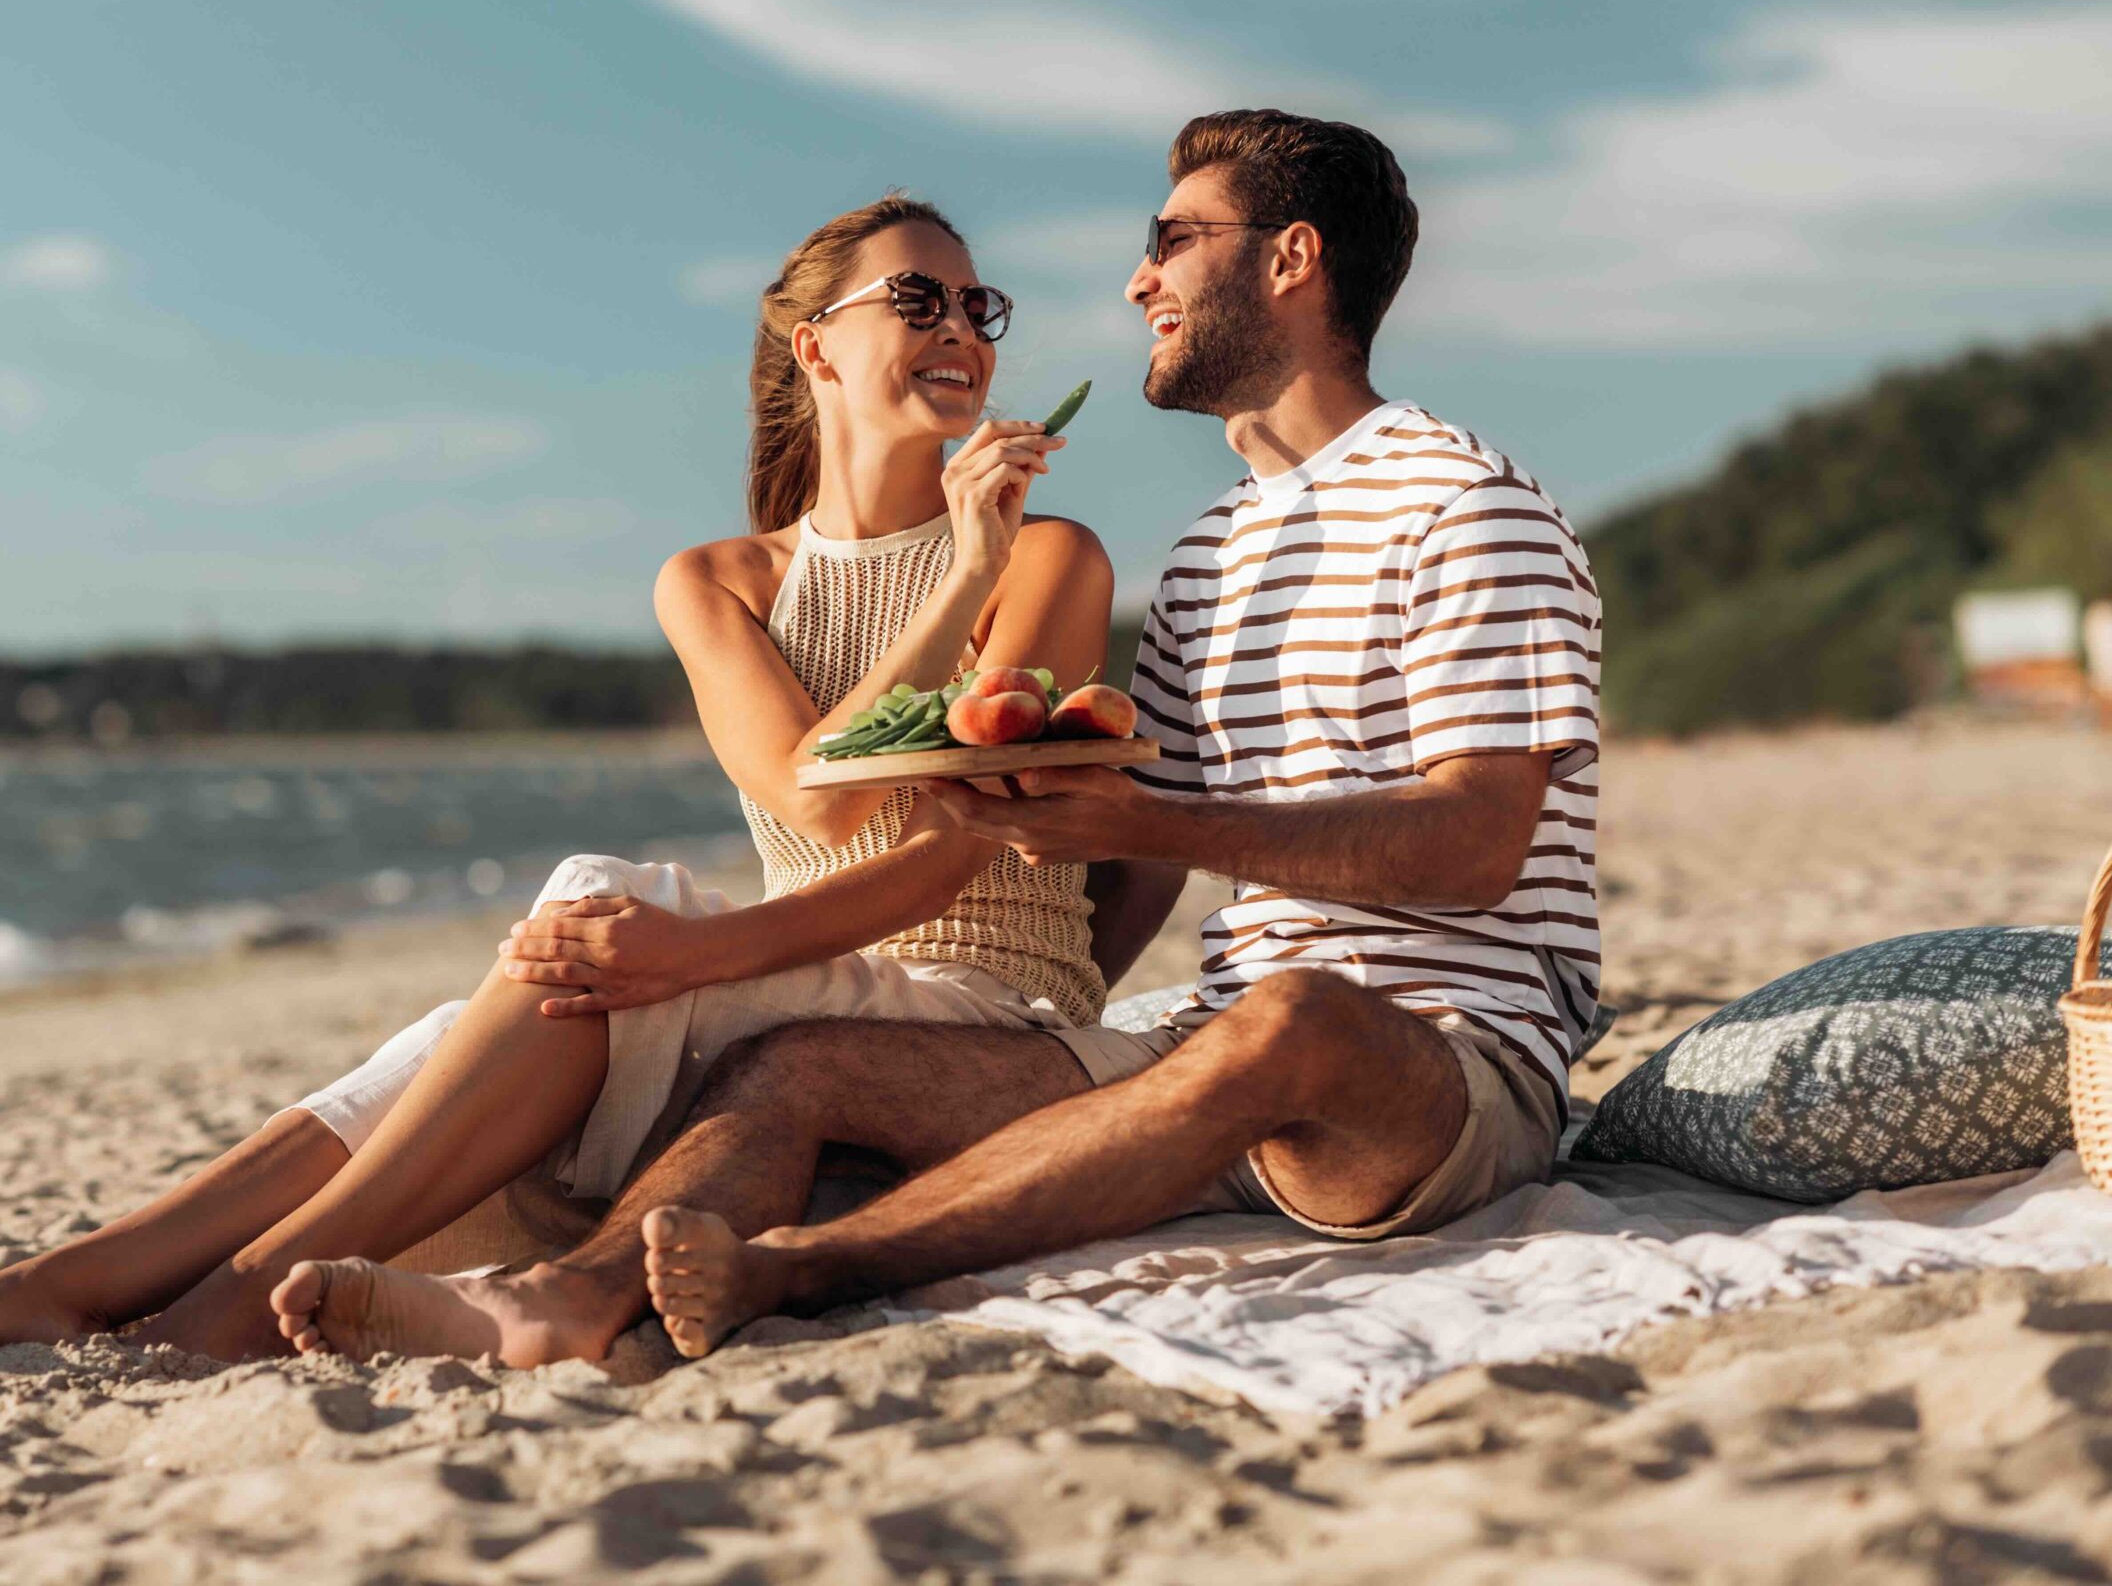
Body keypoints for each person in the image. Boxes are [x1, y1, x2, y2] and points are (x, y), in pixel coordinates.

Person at [269, 108, 1603, 1365]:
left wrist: (1145, 822)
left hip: (1448, 1064)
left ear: (1295, 260)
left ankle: (798, 1266)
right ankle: (570, 1297)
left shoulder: (1463, 503)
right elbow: (1134, 881)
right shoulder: (1207, 558)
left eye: (1175, 239)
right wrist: (1047, 1025)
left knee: (1295, 1016)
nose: (1139, 280)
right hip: (1200, 1046)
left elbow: (1477, 842)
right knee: (796, 1063)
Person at [0, 194, 1117, 1371]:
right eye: (918, 301)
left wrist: (967, 571)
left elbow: (918, 845)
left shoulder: (1045, 560)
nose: (959, 331)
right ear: (815, 349)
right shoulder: (716, 580)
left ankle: (199, 1286)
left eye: (977, 308)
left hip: (982, 1002)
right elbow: (807, 791)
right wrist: (688, 953)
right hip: (790, 978)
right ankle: (98, 1272)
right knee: (519, 987)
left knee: (583, 932)